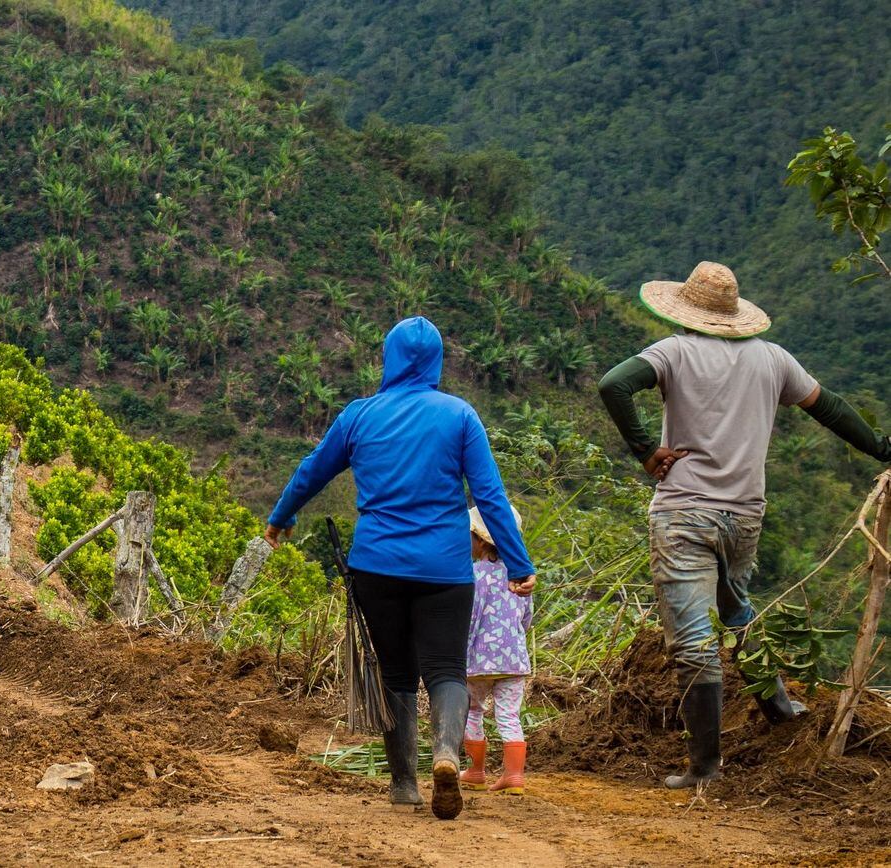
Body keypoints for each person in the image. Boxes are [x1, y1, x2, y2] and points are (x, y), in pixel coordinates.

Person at [598, 260, 891, 789]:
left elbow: (614, 385)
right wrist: (882, 449)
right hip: (744, 516)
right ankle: (779, 708)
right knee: (736, 609)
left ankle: (705, 765)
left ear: (684, 310)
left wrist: (646, 450)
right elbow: (830, 408)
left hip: (683, 512)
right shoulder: (774, 360)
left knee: (691, 642)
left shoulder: (673, 352)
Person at [263, 316, 534, 821]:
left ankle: (405, 783)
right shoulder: (459, 416)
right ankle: (448, 756)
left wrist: (280, 519)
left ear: (387, 359)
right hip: (445, 569)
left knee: (396, 674)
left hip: (377, 566)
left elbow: (311, 471)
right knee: (447, 669)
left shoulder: (359, 416)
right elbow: (489, 495)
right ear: (436, 362)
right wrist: (517, 562)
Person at [460, 507, 534, 796]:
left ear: (479, 539)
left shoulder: (474, 574)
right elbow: (526, 618)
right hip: (514, 659)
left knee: (473, 711)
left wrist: (461, 651)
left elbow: (471, 618)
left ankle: (476, 771)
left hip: (479, 659)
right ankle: (514, 777)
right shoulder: (521, 575)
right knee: (509, 716)